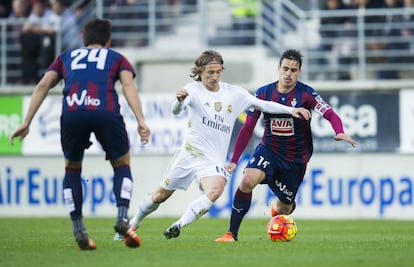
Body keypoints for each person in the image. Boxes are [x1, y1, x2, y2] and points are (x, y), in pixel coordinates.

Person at [114, 49, 311, 241]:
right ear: (200, 72)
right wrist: (179, 101)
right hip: (189, 154)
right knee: (159, 196)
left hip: (212, 161)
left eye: (218, 72)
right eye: (210, 72)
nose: (215, 76)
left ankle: (178, 225)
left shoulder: (234, 93)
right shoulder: (192, 89)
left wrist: (291, 110)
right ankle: (133, 223)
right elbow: (177, 110)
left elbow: (263, 104)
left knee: (215, 191)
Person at [9, 18, 150, 250]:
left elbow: (44, 84)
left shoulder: (66, 57)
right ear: (108, 40)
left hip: (73, 112)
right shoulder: (116, 58)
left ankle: (79, 230)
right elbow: (127, 85)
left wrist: (27, 121)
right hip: (105, 111)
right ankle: (123, 218)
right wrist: (141, 120)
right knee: (121, 163)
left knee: (72, 168)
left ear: (84, 39)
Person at [215, 49, 357, 242]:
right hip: (269, 150)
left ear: (299, 72)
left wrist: (339, 130)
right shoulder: (263, 93)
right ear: (278, 68)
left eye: (293, 70)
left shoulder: (306, 94)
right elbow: (248, 127)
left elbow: (329, 112)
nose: (288, 73)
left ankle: (280, 208)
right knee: (247, 181)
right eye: (285, 68)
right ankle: (232, 233)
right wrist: (233, 160)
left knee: (284, 208)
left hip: (295, 159)